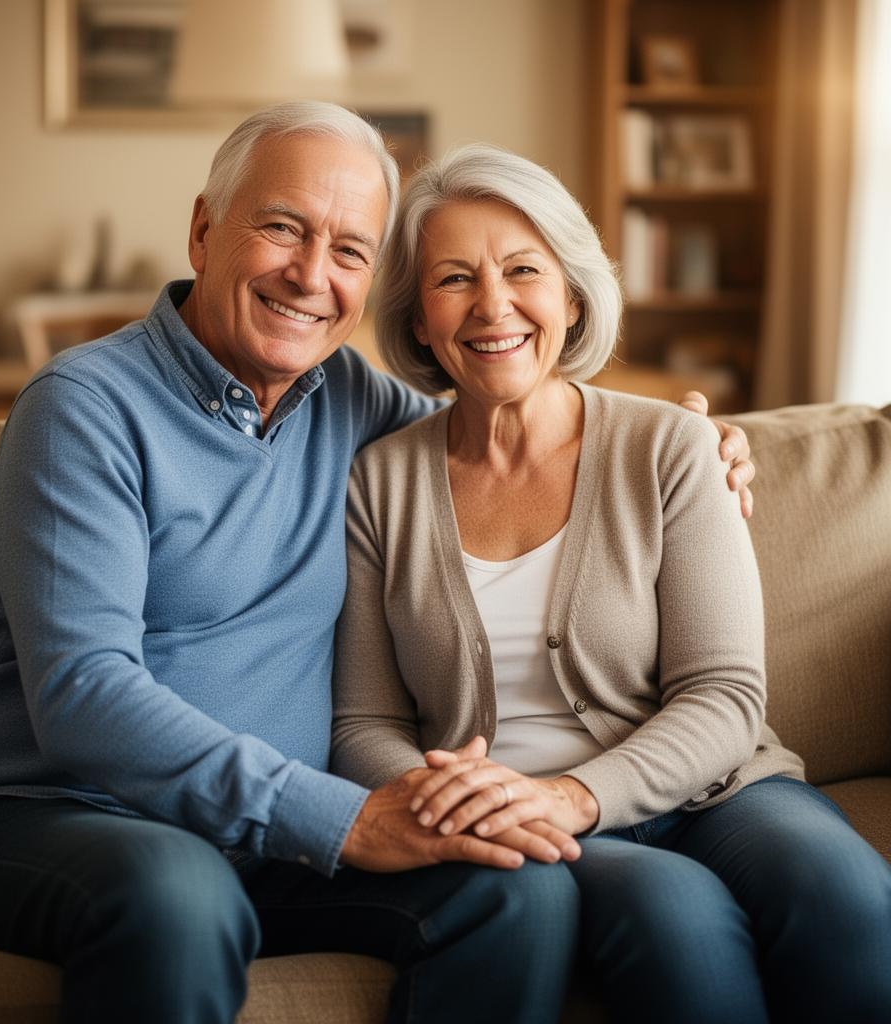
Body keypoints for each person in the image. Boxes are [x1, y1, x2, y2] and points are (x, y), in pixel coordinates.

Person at [0, 102, 755, 1024]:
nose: (311, 276)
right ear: (204, 230)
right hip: (58, 819)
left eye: (351, 250)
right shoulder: (83, 410)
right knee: (176, 892)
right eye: (281, 228)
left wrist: (685, 448)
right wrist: (344, 819)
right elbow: (82, 691)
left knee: (515, 887)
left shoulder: (354, 402)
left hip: (269, 844)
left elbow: (507, 405)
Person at [332, 142, 891, 1023]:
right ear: (417, 319)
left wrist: (573, 794)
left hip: (718, 791)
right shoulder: (380, 481)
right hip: (520, 821)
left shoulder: (671, 446)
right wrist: (455, 806)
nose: (494, 306)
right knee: (680, 930)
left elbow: (725, 693)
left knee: (849, 904)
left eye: (524, 270)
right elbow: (363, 722)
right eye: (453, 280)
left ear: (572, 292)